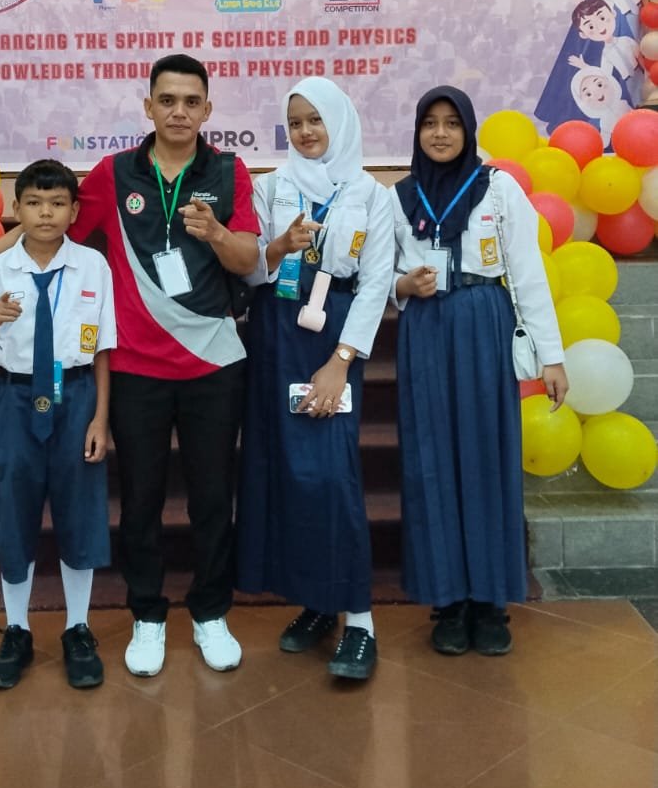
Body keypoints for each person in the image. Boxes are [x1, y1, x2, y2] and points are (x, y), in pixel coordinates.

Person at [0, 54, 260, 678]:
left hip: (213, 363)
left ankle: (210, 613)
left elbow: (247, 261)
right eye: (167, 100)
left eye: (191, 102)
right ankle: (148, 616)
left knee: (212, 497)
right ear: (148, 106)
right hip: (135, 368)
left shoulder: (229, 173)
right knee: (142, 499)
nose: (178, 112)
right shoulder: (114, 172)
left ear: (208, 110)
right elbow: (46, 225)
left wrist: (214, 233)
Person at [391, 88, 568, 657]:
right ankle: (448, 602)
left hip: (484, 319)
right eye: (430, 124)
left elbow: (528, 272)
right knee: (432, 462)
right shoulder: (399, 196)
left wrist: (552, 355)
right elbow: (379, 274)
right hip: (424, 329)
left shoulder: (498, 187)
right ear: (417, 132)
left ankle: (491, 603)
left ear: (468, 131)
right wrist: (402, 285)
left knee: (487, 457)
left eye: (452, 123)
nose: (440, 134)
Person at [237, 80, 394, 681]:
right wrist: (278, 247)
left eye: (316, 120)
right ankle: (317, 603)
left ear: (340, 122)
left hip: (333, 340)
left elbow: (375, 283)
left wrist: (341, 361)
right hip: (275, 335)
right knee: (285, 473)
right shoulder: (271, 186)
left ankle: (360, 623)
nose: (305, 132)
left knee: (331, 475)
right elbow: (249, 270)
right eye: (296, 121)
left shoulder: (371, 194)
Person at [0, 158, 115, 692]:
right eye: (33, 203)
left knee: (80, 511)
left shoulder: (93, 266)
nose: (45, 213)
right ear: (16, 208)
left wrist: (101, 418)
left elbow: (102, 348)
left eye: (56, 204)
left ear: (73, 211)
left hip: (76, 397)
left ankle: (78, 628)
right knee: (12, 512)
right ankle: (17, 629)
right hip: (14, 397)